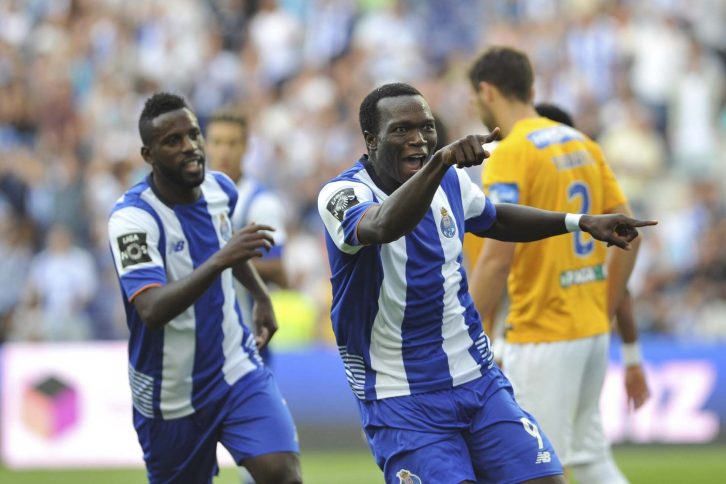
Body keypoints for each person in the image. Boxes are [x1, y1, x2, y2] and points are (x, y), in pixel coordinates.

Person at [317, 82, 655, 484]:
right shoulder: (343, 194)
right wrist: (440, 162)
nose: (418, 139)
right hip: (402, 396)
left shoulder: (449, 182)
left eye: (426, 127)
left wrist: (579, 222)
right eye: (402, 130)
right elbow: (383, 225)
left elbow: (495, 219)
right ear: (371, 140)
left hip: (479, 381)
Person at [467, 47, 650, 484]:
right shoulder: (581, 142)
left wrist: (463, 332)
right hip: (589, 330)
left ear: (487, 92)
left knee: (535, 469)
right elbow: (631, 232)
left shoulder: (510, 152)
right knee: (589, 461)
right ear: (531, 88)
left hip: (543, 330)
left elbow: (496, 258)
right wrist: (602, 309)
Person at [107, 92, 301, 484]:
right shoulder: (132, 220)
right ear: (148, 155)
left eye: (193, 134)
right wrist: (219, 260)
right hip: (170, 391)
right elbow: (151, 309)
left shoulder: (220, 190)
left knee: (283, 474)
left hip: (235, 368)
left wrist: (260, 295)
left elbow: (227, 245)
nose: (190, 146)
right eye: (173, 141)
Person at [205, 109, 288, 364]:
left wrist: (218, 261)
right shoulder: (193, 197)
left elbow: (277, 269)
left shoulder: (260, 202)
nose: (224, 151)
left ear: (246, 147)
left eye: (232, 143)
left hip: (247, 341)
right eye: (217, 142)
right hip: (204, 340)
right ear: (206, 146)